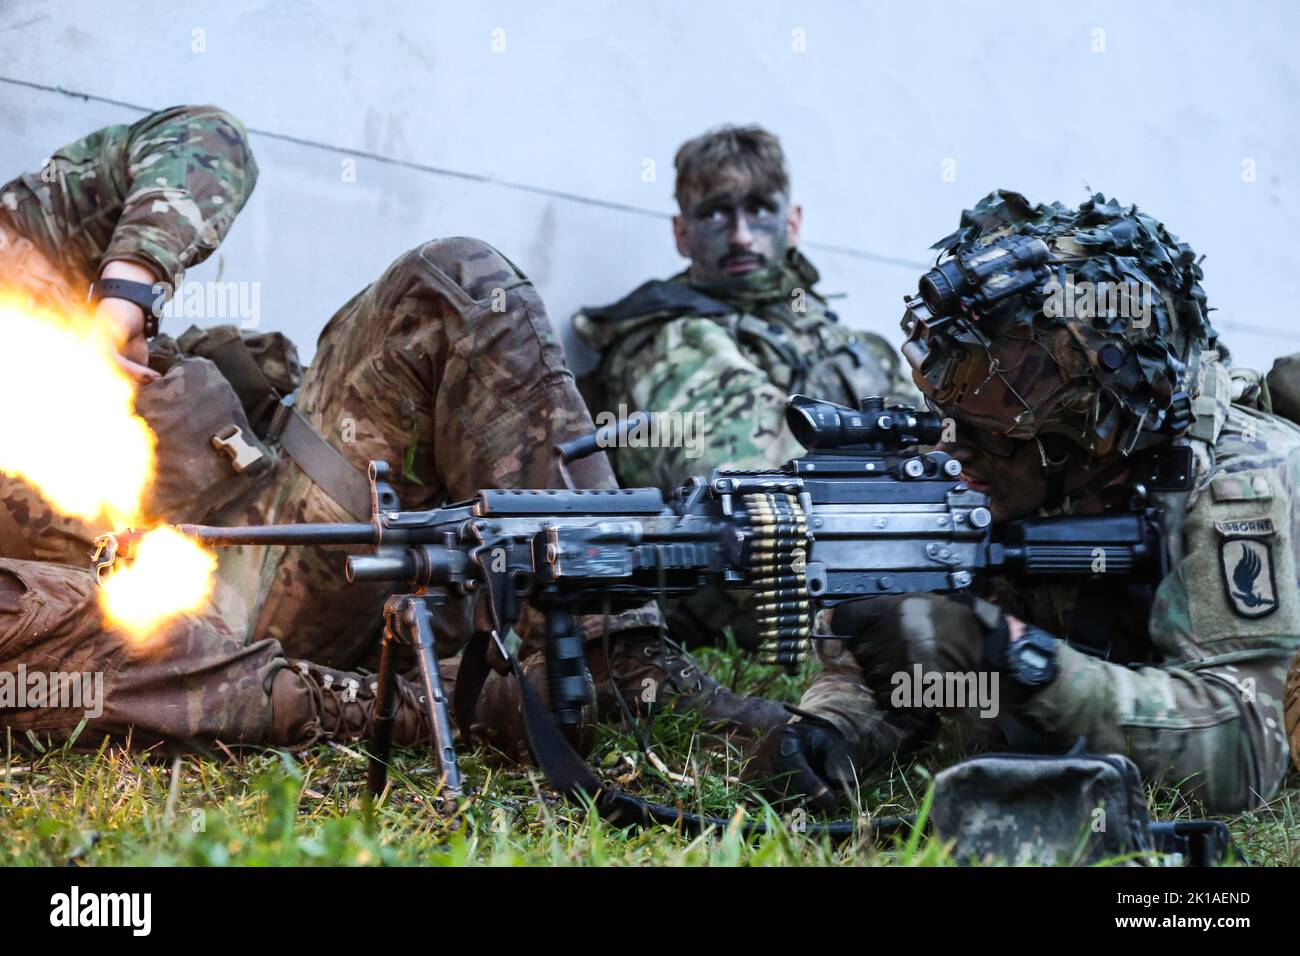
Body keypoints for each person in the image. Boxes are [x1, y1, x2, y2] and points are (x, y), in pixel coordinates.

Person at [0, 105, 783, 760]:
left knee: (453, 282)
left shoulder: (17, 244)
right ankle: (450, 699)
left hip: (283, 514)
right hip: (164, 615)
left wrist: (124, 291)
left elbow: (205, 140)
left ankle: (616, 655)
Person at [751, 190, 1300, 815]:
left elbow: (1246, 750)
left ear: (1094, 442)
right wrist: (837, 727)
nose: (954, 451)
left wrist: (1012, 655)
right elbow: (884, 664)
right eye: (946, 418)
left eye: (993, 436)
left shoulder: (1236, 484)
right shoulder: (992, 470)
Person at [573, 124, 912, 647]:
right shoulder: (670, 339)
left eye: (759, 210)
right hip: (755, 592)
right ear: (681, 233)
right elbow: (746, 496)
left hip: (889, 564)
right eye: (714, 213)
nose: (740, 236)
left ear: (792, 221)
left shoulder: (848, 340)